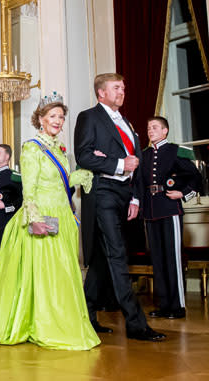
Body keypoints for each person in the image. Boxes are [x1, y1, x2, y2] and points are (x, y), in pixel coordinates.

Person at [0, 93, 99, 350]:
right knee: (47, 273)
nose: (58, 120)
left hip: (63, 217)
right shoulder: (32, 148)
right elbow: (30, 189)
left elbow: (61, 183)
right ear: (41, 119)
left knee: (63, 274)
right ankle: (44, 322)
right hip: (42, 217)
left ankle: (62, 320)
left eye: (61, 116)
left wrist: (82, 174)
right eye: (52, 116)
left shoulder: (59, 148)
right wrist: (34, 219)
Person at [74, 74, 164, 341]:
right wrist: (117, 164)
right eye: (116, 88)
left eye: (123, 88)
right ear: (101, 93)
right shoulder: (89, 117)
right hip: (103, 193)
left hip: (124, 196)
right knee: (117, 254)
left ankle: (87, 318)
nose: (122, 91)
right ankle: (136, 324)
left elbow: (136, 161)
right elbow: (84, 155)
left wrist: (135, 198)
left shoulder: (126, 122)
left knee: (102, 260)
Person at [140, 116, 202, 319]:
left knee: (172, 258)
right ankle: (164, 304)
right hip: (151, 211)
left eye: (155, 127)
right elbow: (139, 183)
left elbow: (196, 177)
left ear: (165, 131)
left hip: (170, 209)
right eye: (149, 127)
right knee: (157, 259)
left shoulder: (175, 151)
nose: (151, 131)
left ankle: (178, 306)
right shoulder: (145, 155)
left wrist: (183, 194)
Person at [0, 144, 23, 260]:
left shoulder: (14, 177)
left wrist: (6, 207)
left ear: (7, 156)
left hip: (8, 223)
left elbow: (21, 202)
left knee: (9, 258)